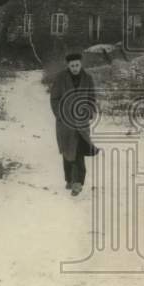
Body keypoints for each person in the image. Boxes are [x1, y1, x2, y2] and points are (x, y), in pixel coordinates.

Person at [49, 51, 98, 196]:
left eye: (77, 65)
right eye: (72, 66)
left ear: (81, 64)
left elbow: (91, 97)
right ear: (68, 65)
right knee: (67, 151)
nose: (75, 68)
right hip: (65, 123)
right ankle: (69, 179)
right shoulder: (60, 78)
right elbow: (54, 99)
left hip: (81, 123)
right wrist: (60, 114)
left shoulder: (87, 78)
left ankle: (78, 183)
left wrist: (89, 111)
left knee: (79, 151)